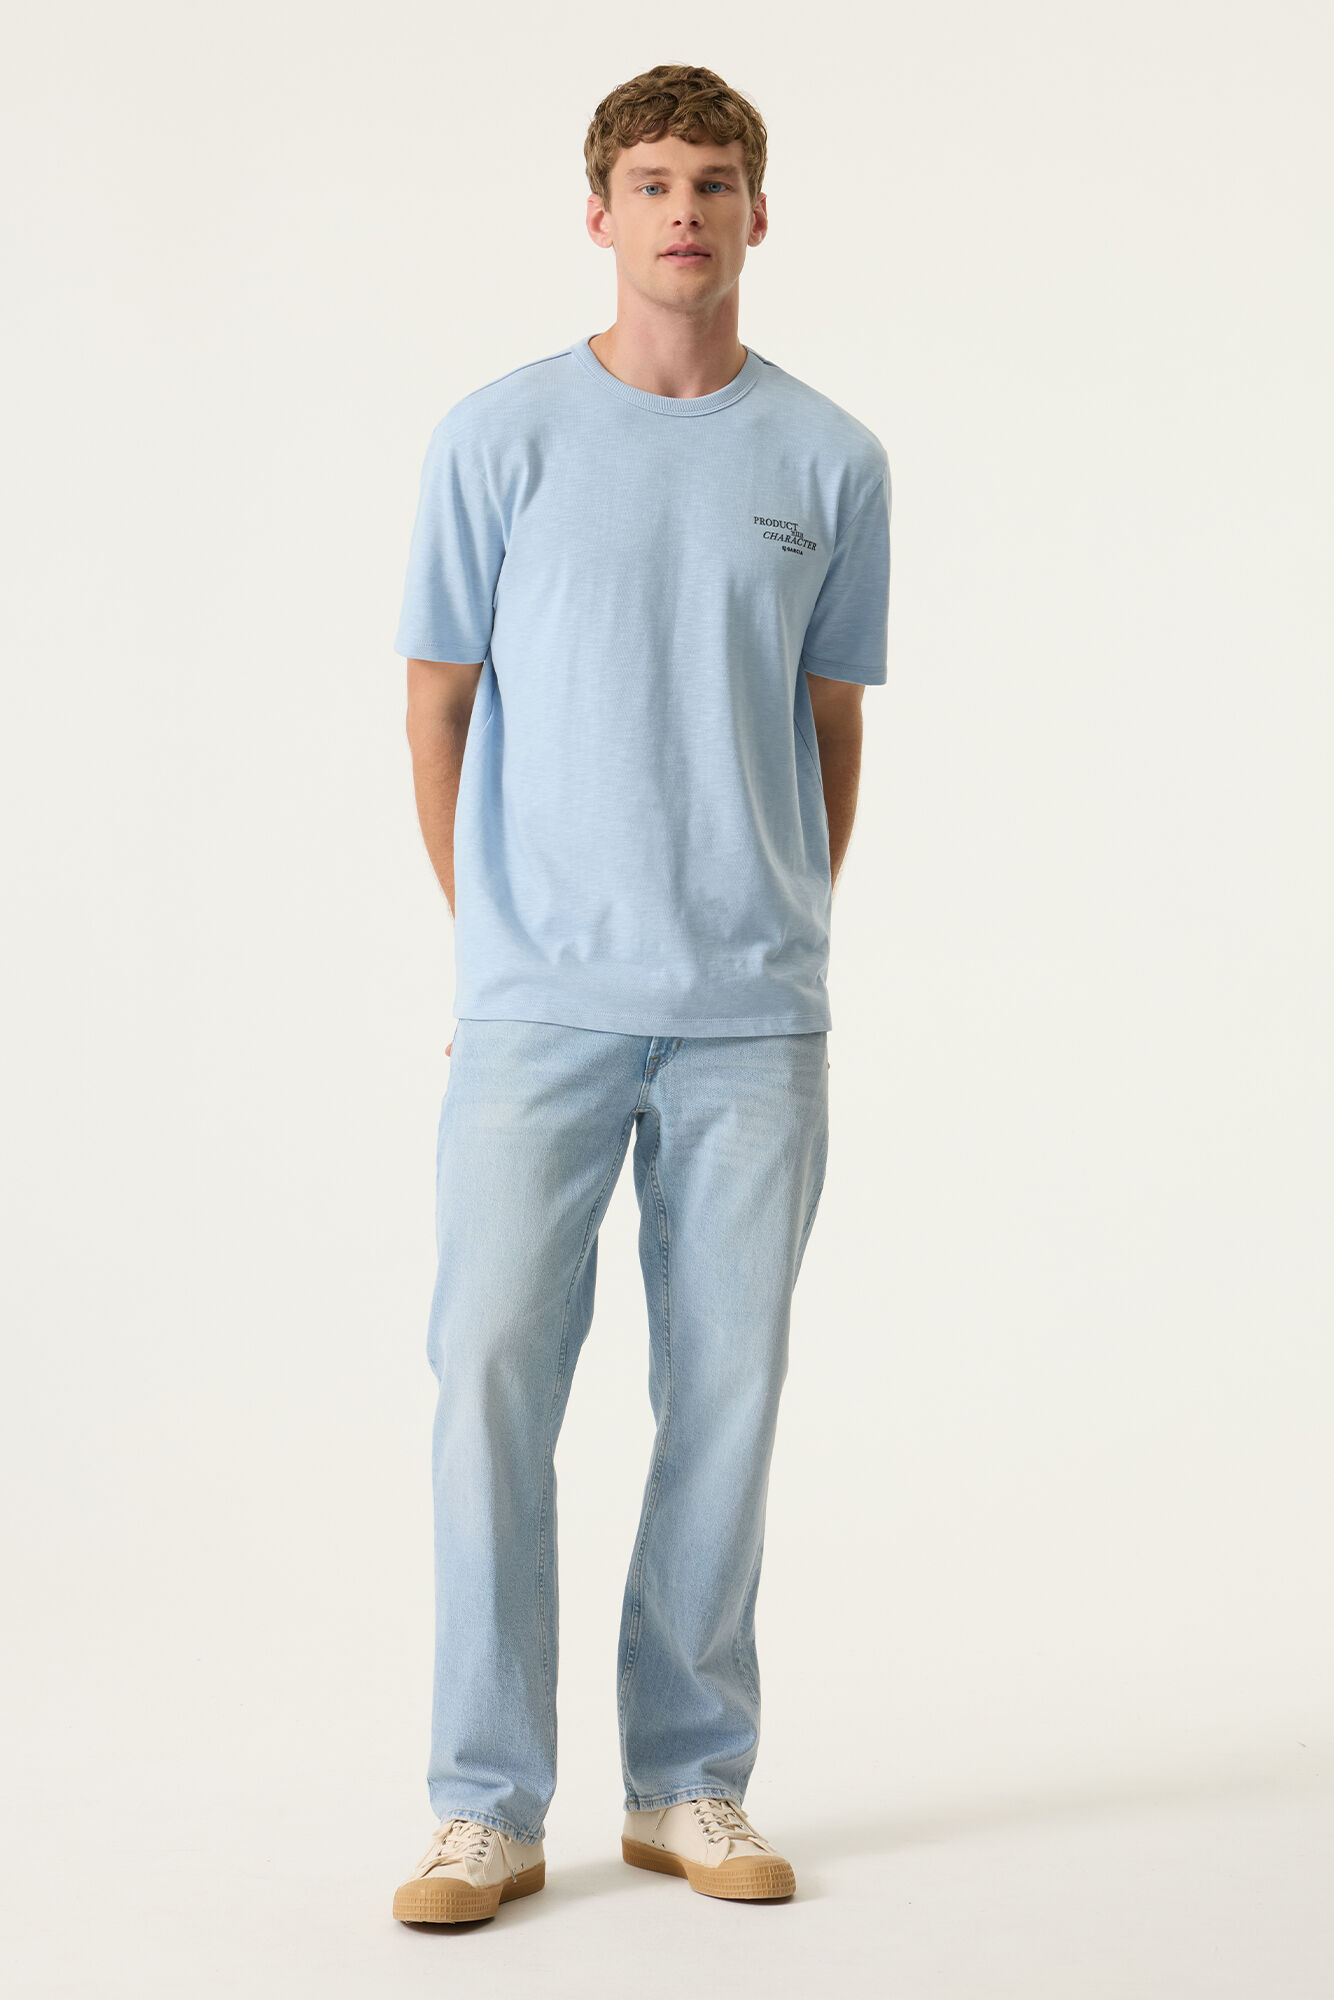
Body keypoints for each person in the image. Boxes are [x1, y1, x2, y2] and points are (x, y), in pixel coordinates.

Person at [389, 62, 891, 1924]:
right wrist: (498, 942)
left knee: (728, 1396)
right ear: (596, 213)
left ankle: (689, 1783)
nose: (686, 209)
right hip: (539, 1009)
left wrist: (778, 923)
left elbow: (828, 729)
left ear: (760, 212)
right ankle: (485, 1805)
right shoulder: (498, 438)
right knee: (489, 1385)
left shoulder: (830, 460)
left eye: (717, 179)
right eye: (655, 180)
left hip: (754, 1018)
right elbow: (436, 705)